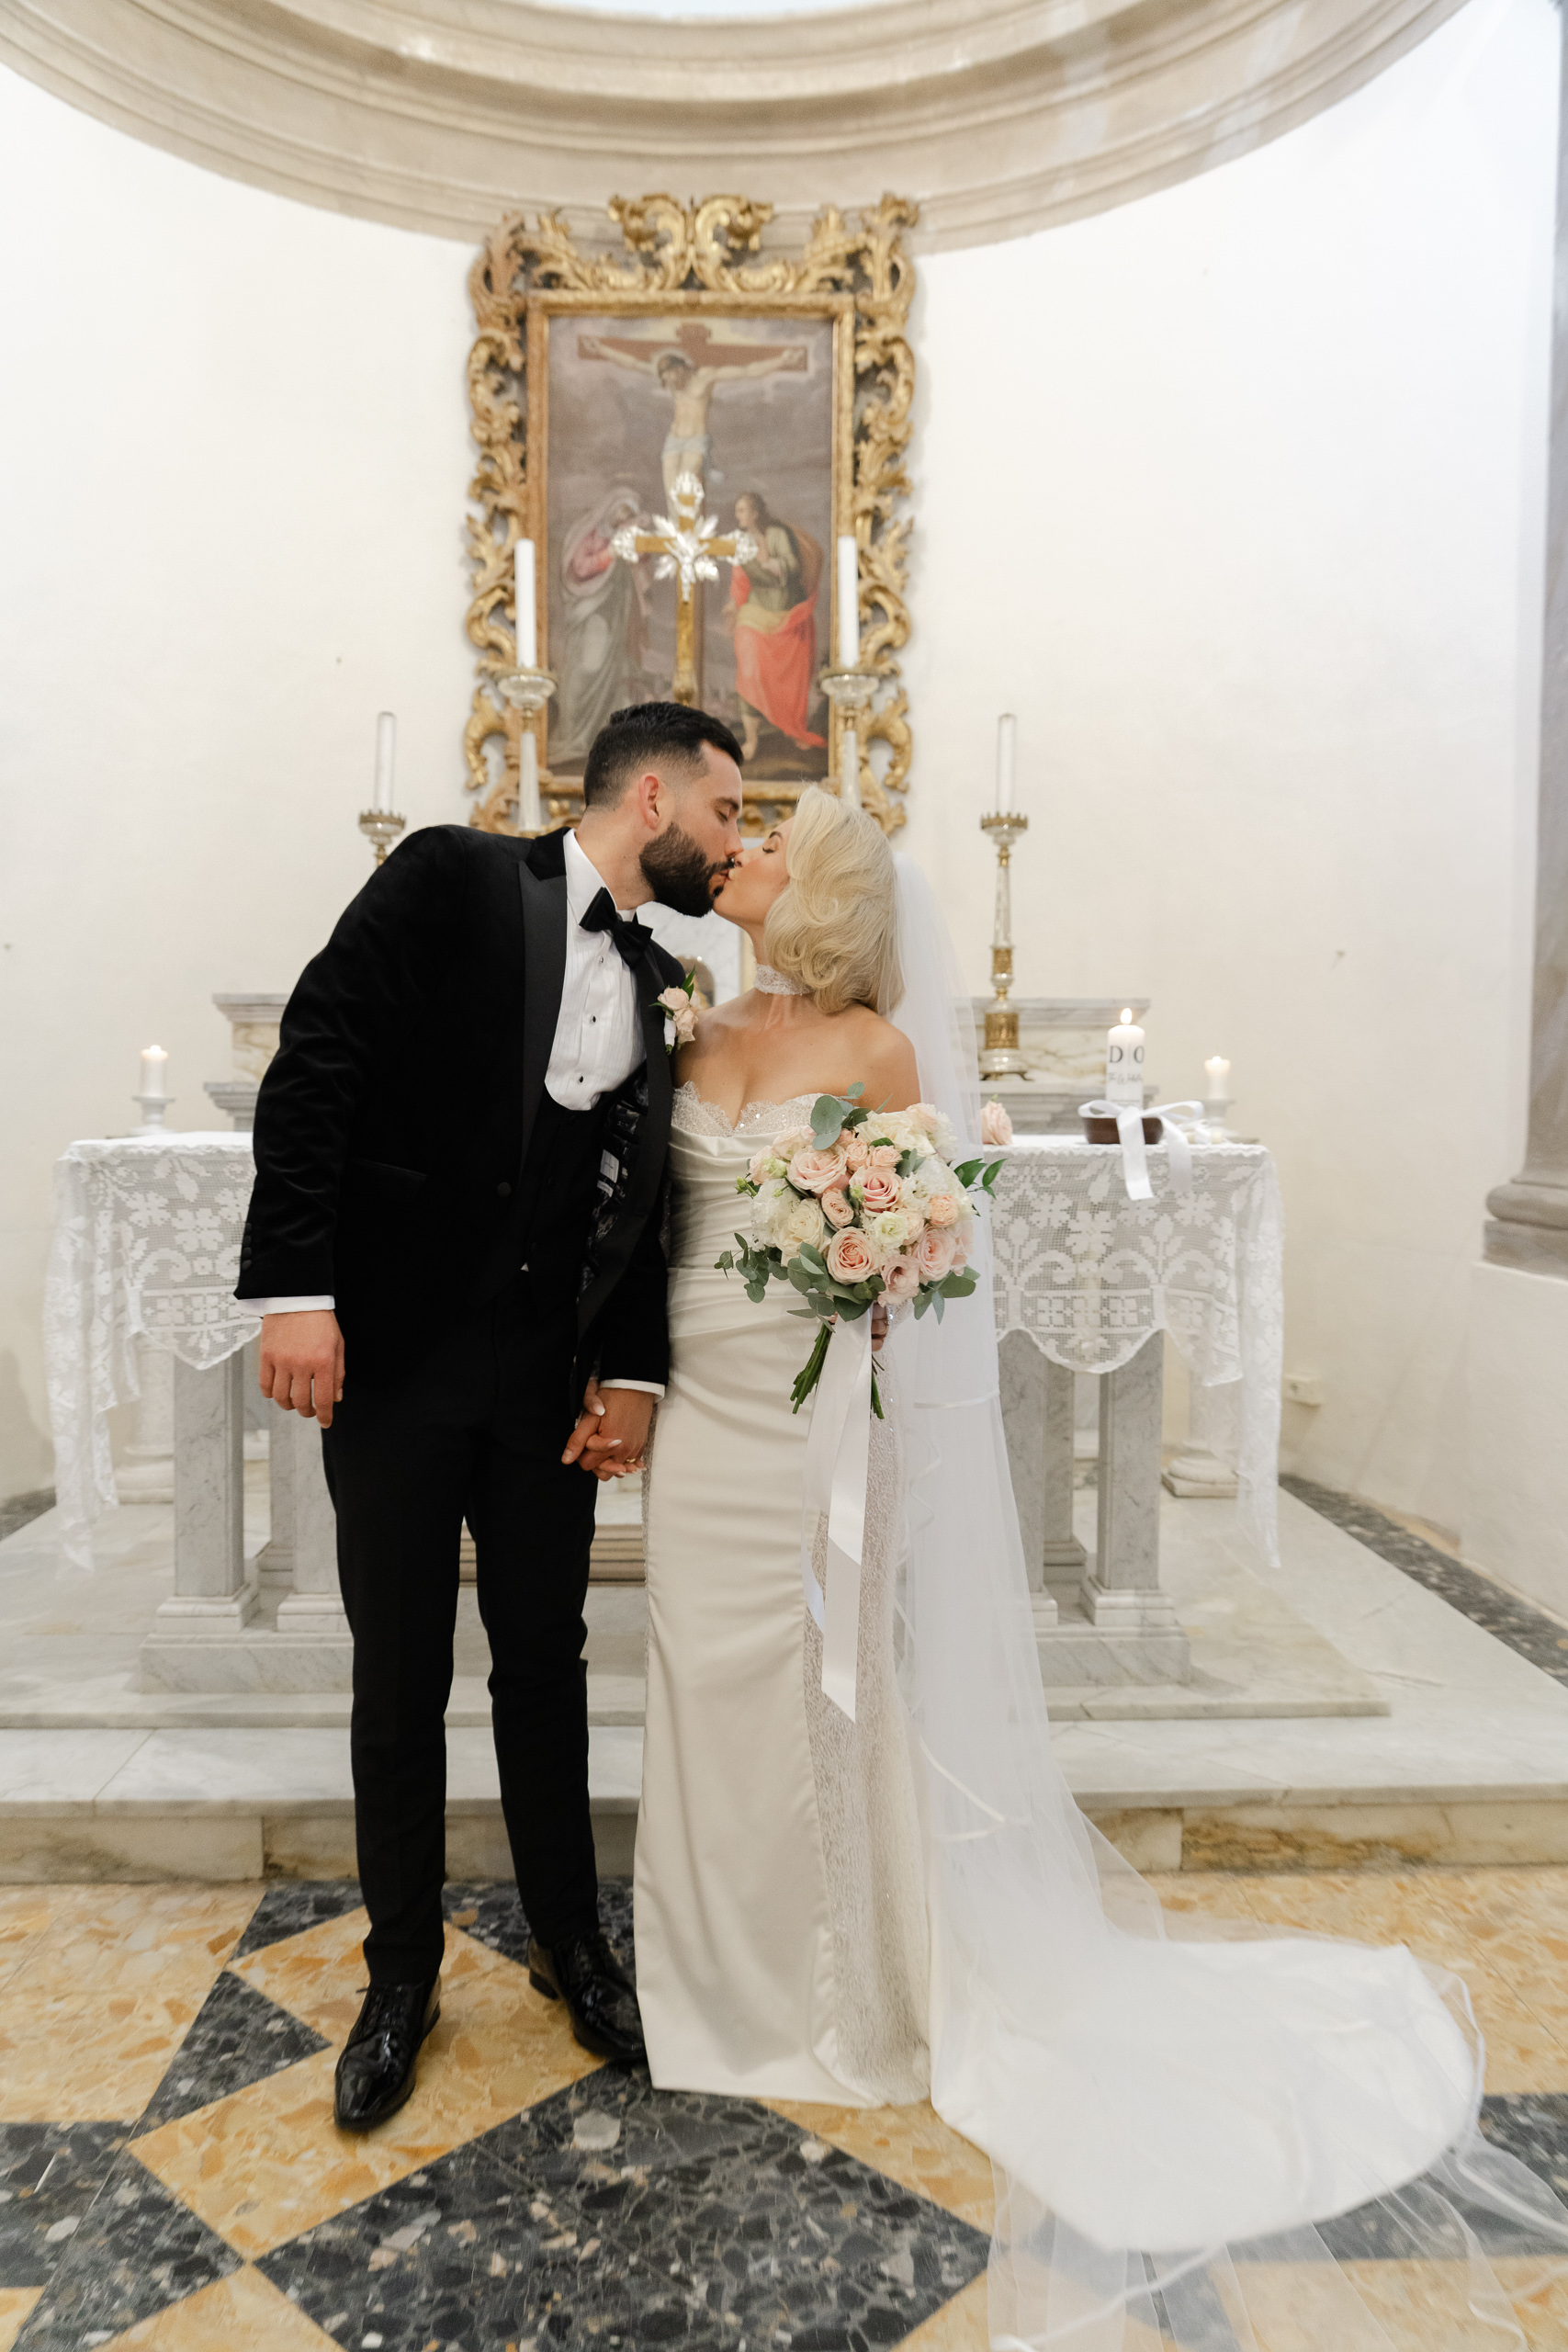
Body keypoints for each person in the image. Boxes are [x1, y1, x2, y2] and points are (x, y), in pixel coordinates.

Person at [635, 786, 1568, 2346]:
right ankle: (709, 1981)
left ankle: (837, 1989)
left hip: (812, 1423)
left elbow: (904, 1251)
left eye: (773, 845)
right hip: (698, 1414)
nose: (743, 851)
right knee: (695, 1675)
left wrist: (867, 1266)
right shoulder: (688, 1031)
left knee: (823, 1685)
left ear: (823, 895)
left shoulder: (876, 1054)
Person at [236, 701, 745, 2132]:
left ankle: (570, 1946)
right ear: (652, 799)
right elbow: (318, 1059)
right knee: (399, 1674)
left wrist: (629, 1372)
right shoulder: (449, 875)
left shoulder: (666, 979)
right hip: (393, 1364)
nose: (732, 844)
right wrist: (294, 1290)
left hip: (544, 1387)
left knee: (545, 1666)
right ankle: (400, 1977)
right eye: (724, 812)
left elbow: (644, 1201)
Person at [578, 338, 807, 503]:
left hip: (696, 441)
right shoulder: (669, 378)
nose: (669, 382)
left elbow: (747, 371)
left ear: (679, 368)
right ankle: (677, 533)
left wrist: (782, 360)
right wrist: (601, 349)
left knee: (685, 485)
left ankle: (690, 531)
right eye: (664, 379)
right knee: (671, 491)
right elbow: (632, 363)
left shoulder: (705, 377)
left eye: (670, 376)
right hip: (674, 439)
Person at [724, 491, 827, 760]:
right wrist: (733, 604)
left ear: (756, 513)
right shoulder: (739, 542)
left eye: (742, 510)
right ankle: (751, 739)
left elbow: (793, 565)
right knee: (748, 671)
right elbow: (740, 578)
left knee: (790, 675)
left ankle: (792, 727)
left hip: (787, 610)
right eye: (737, 511)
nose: (738, 516)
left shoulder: (777, 534)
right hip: (754, 609)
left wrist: (770, 563)